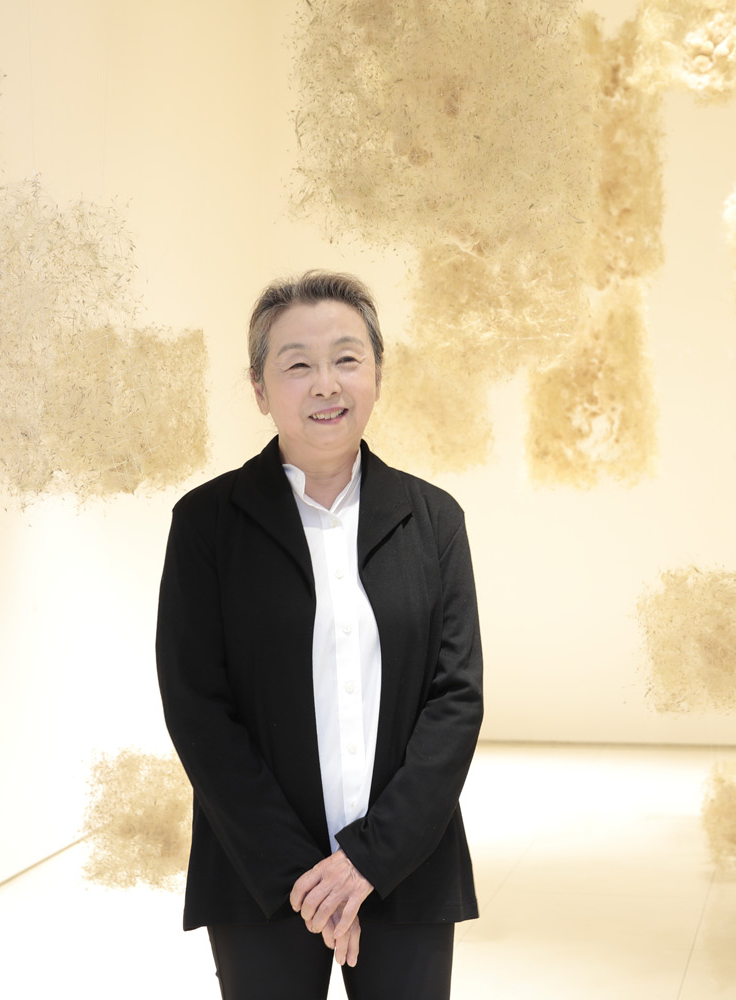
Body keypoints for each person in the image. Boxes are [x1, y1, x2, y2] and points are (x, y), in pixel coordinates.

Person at [155, 270, 483, 999]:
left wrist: (368, 861)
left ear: (377, 374)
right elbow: (197, 708)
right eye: (297, 364)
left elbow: (456, 701)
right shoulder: (207, 525)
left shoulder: (435, 521)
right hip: (259, 876)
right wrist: (305, 879)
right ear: (259, 388)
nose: (326, 384)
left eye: (346, 358)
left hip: (407, 870)